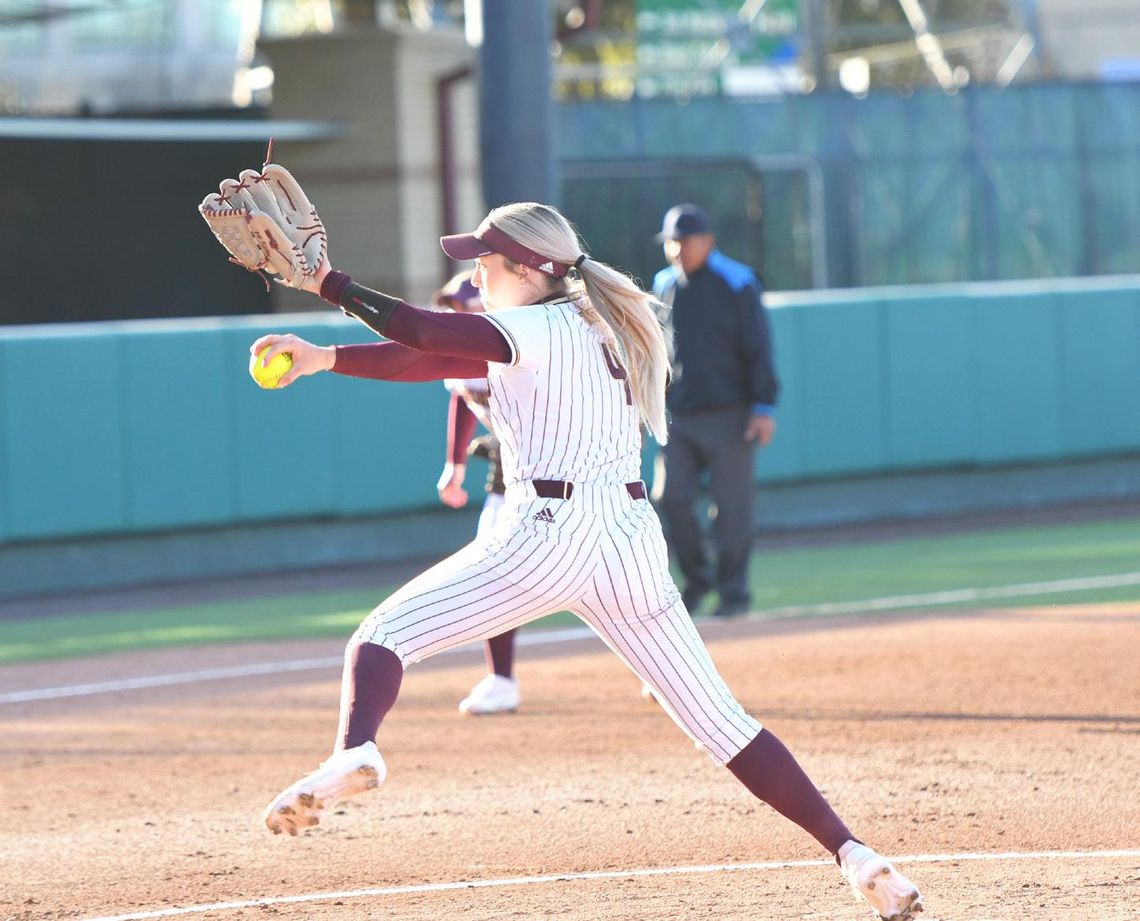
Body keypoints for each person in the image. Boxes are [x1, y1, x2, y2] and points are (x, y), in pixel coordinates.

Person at [250, 202, 923, 920]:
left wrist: (329, 282)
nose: (474, 268)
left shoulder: (531, 325)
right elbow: (432, 357)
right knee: (725, 723)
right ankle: (857, 856)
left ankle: (357, 750)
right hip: (629, 537)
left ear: (528, 269)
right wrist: (326, 358)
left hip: (547, 531)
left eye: (486, 257)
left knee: (381, 638)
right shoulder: (601, 319)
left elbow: (422, 329)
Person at [652, 204, 779, 619]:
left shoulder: (737, 281)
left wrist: (762, 406)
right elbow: (656, 353)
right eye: (671, 241)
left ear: (707, 241)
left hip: (731, 415)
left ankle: (733, 593)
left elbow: (758, 348)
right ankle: (697, 579)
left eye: (684, 241)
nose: (676, 249)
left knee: (731, 510)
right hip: (679, 416)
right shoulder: (664, 284)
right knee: (669, 498)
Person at [432, 272, 520, 715]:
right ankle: (501, 678)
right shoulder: (459, 353)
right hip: (518, 472)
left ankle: (666, 672)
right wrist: (455, 465)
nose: (451, 315)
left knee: (613, 578)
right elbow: (460, 397)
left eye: (460, 307)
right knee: (492, 564)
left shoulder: (512, 344)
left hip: (562, 472)